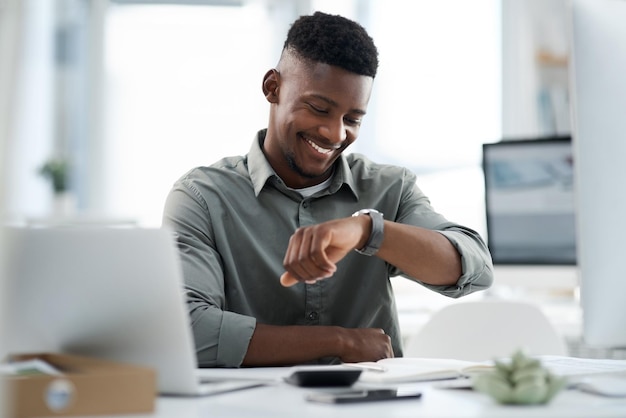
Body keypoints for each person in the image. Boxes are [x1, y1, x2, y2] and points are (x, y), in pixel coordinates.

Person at [162, 11, 493, 368]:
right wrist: (340, 342)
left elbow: (473, 268)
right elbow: (185, 331)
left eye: (352, 120)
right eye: (319, 108)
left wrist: (368, 230)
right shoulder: (202, 198)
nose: (335, 134)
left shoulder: (388, 188)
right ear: (272, 88)